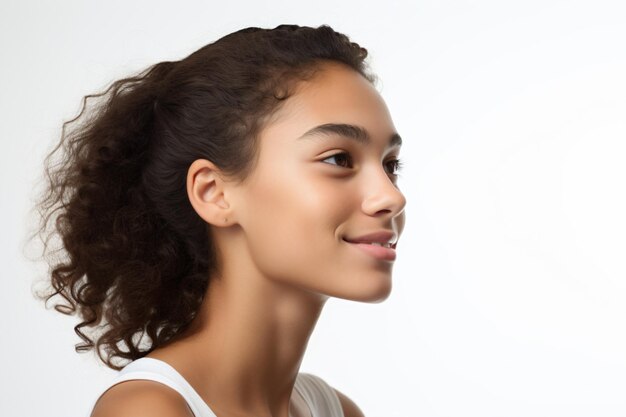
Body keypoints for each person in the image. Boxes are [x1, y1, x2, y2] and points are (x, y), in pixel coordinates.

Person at [33, 23, 406, 417]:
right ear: (214, 192)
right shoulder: (150, 410)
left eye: (391, 164)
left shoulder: (335, 411)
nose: (392, 197)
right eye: (338, 159)